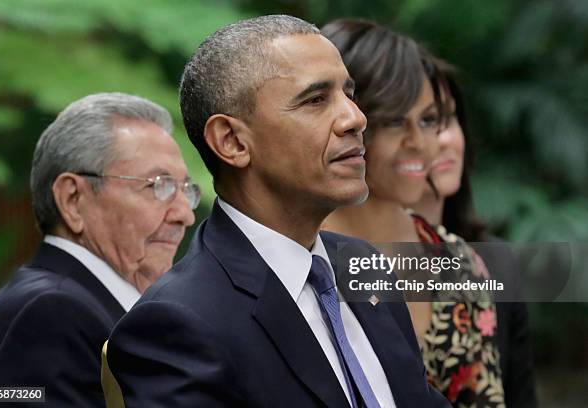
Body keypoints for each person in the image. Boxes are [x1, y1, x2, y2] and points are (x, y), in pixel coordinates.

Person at [103, 15, 449, 407]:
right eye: (316, 100)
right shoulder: (177, 323)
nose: (356, 117)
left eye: (348, 94)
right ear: (232, 141)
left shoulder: (363, 264)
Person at [321, 19, 506, 406]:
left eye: (427, 120)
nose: (420, 143)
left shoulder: (458, 262)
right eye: (392, 121)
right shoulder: (298, 259)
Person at [0, 92, 198, 407]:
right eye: (158, 185)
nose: (185, 214)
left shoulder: (84, 304)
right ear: (73, 200)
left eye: (186, 190)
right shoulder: (52, 310)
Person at [413, 60, 538, 407]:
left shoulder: (494, 261)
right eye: (425, 122)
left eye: (448, 119)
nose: (445, 140)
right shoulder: (340, 264)